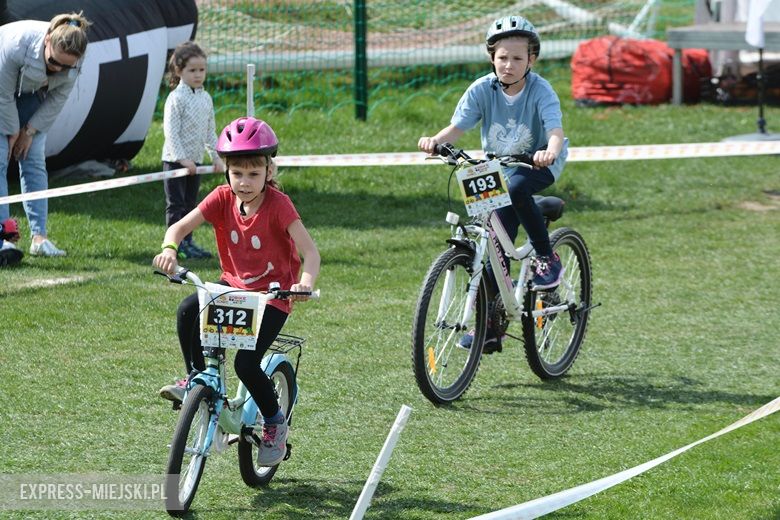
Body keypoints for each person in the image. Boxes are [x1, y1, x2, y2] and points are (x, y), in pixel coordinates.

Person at [153, 116, 320, 467]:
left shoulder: (279, 205)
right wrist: (170, 248)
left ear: (268, 172)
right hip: (233, 286)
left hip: (274, 296)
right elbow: (179, 227)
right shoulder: (220, 198)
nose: (244, 182)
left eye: (254, 174)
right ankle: (197, 378)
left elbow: (311, 253)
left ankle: (275, 423)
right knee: (187, 309)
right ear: (226, 170)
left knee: (246, 363)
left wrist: (304, 283)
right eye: (237, 173)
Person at [418, 15, 569, 351]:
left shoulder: (541, 90)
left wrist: (550, 151)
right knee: (491, 240)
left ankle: (547, 258)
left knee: (516, 189)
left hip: (536, 164)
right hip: (496, 167)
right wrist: (435, 141)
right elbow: (457, 127)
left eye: (518, 58)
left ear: (532, 59)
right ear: (492, 57)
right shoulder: (481, 89)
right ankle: (490, 327)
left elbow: (555, 130)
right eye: (502, 57)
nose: (509, 65)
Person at [0, 11, 92, 261]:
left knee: (33, 159)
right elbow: (4, 95)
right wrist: (11, 132)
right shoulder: (16, 44)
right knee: (0, 159)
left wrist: (29, 131)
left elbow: (58, 98)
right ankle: (3, 239)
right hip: (2, 89)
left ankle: (39, 238)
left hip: (32, 95)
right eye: (54, 63)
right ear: (47, 40)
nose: (59, 70)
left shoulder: (77, 55)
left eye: (66, 66)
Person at [161, 41, 224, 260]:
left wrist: (215, 157)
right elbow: (171, 133)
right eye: (192, 70)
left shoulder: (205, 98)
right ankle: (172, 246)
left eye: (202, 70)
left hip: (195, 162)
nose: (198, 75)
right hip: (175, 161)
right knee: (176, 205)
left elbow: (210, 132)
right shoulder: (175, 98)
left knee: (190, 205)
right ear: (179, 71)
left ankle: (188, 243)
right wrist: (182, 159)